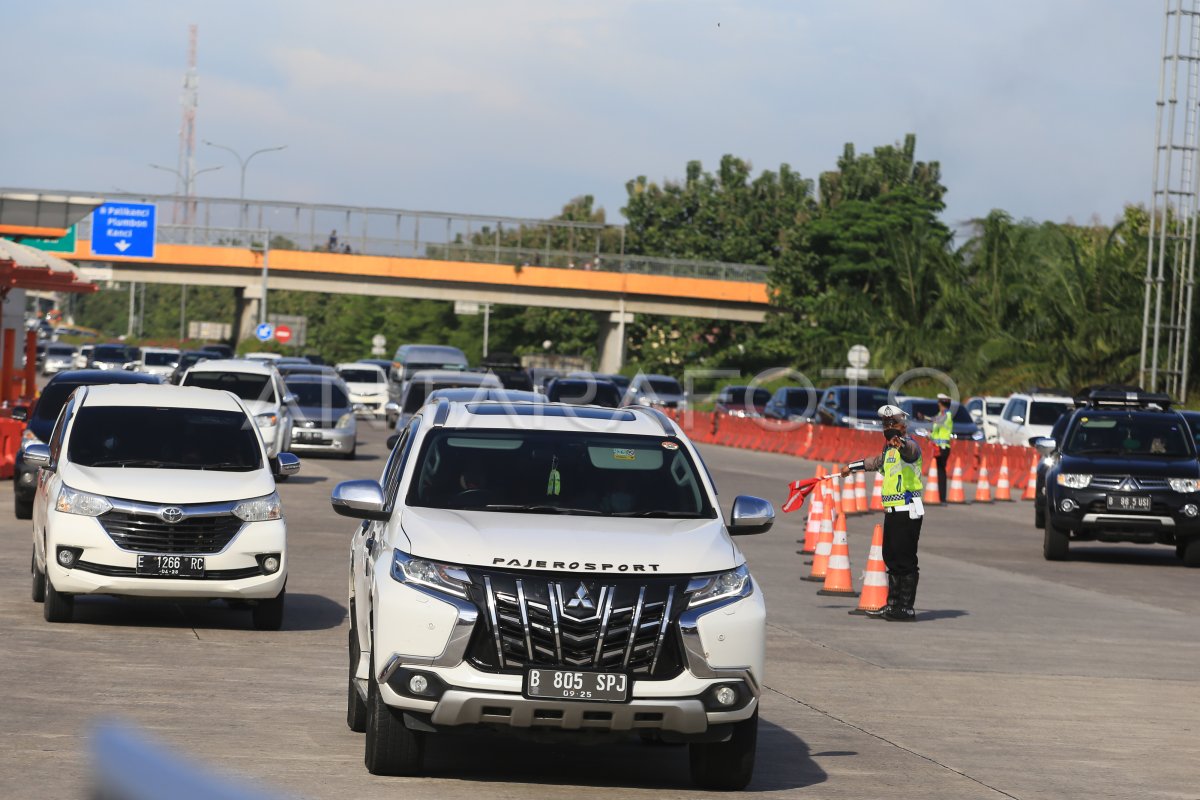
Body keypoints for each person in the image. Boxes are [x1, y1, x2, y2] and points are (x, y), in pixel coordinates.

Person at [842, 405, 925, 621]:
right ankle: (892, 605)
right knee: (891, 556)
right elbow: (874, 463)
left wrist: (901, 443)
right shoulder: (888, 451)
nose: (889, 428)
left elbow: (910, 453)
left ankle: (905, 607)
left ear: (903, 426)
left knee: (905, 559)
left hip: (908, 510)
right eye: (886, 425)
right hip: (892, 511)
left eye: (893, 424)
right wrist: (851, 467)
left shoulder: (911, 446)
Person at [931, 393, 953, 501]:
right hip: (938, 446)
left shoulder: (946, 416)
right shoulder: (941, 414)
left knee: (941, 471)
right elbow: (936, 431)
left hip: (943, 447)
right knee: (939, 470)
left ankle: (942, 496)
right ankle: (940, 495)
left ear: (940, 403)